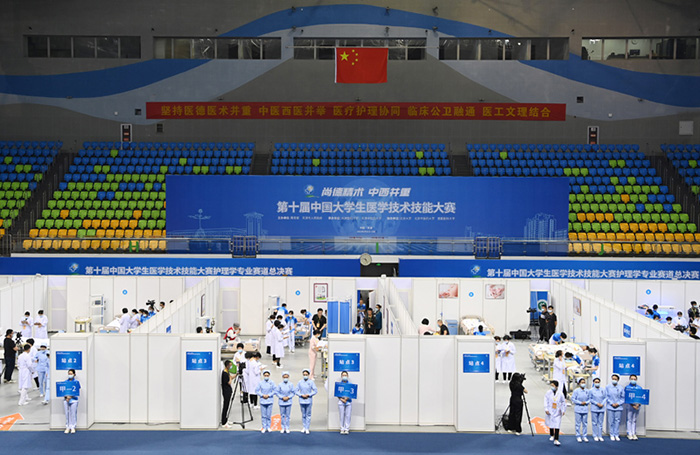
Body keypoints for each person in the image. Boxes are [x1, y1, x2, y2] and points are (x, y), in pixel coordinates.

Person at [295, 368, 318, 434]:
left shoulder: (311, 382)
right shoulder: (300, 382)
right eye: (304, 374)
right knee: (303, 414)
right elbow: (296, 390)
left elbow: (315, 390)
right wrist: (301, 395)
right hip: (302, 400)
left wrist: (309, 394)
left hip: (308, 400)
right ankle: (304, 427)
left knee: (308, 414)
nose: (305, 376)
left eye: (306, 374)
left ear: (308, 375)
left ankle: (307, 427)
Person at [544, 379, 566, 445]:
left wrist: (563, 410)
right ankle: (552, 435)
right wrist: (546, 409)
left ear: (556, 386)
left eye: (553, 386)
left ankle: (556, 439)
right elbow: (546, 400)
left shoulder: (560, 394)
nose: (552, 387)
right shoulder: (548, 393)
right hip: (550, 409)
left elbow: (563, 402)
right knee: (551, 423)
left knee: (557, 425)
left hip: (557, 411)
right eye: (551, 385)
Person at [605, 374, 625, 441]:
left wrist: (618, 403)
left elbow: (622, 398)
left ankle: (616, 434)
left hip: (618, 407)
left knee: (617, 421)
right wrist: (611, 403)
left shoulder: (620, 388)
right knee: (611, 421)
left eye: (615, 379)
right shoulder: (608, 387)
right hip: (610, 406)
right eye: (613, 379)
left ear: (618, 380)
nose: (614, 380)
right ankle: (612, 434)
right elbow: (606, 396)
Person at [572, 377, 590, 442]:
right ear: (579, 383)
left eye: (584, 382)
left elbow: (590, 399)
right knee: (578, 423)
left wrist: (586, 402)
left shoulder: (587, 391)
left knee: (585, 423)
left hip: (585, 409)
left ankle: (584, 436)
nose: (583, 384)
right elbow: (573, 399)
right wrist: (580, 403)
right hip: (578, 409)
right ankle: (578, 435)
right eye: (582, 382)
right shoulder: (576, 391)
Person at [625, 374, 642, 440]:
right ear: (630, 379)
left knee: (634, 420)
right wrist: (633, 405)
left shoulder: (639, 388)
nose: (633, 380)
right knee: (629, 419)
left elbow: (641, 397)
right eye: (632, 379)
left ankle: (634, 433)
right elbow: (627, 397)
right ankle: (629, 433)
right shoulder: (627, 387)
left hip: (637, 406)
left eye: (634, 379)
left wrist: (638, 405)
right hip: (630, 406)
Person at [63, 369, 81, 434]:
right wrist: (67, 397)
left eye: (71, 374)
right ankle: (67, 427)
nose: (70, 375)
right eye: (69, 374)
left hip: (74, 400)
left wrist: (71, 397)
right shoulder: (65, 382)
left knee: (73, 414)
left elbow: (77, 391)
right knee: (67, 414)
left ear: (74, 374)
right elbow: (63, 391)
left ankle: (73, 427)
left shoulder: (76, 382)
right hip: (66, 400)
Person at [589, 377, 606, 442]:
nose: (597, 383)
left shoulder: (603, 390)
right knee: (594, 422)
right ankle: (595, 435)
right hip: (594, 408)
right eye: (596, 382)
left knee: (600, 423)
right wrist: (596, 403)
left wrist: (602, 403)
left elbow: (605, 397)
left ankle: (600, 435)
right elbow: (590, 398)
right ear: (593, 383)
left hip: (601, 408)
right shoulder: (591, 390)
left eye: (598, 382)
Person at [221, 360, 234, 428]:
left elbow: (231, 377)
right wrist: (230, 379)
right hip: (226, 392)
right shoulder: (224, 373)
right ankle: (223, 422)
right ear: (227, 365)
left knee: (227, 406)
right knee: (225, 406)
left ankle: (226, 419)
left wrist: (236, 374)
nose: (231, 366)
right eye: (230, 365)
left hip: (228, 391)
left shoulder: (227, 371)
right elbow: (229, 382)